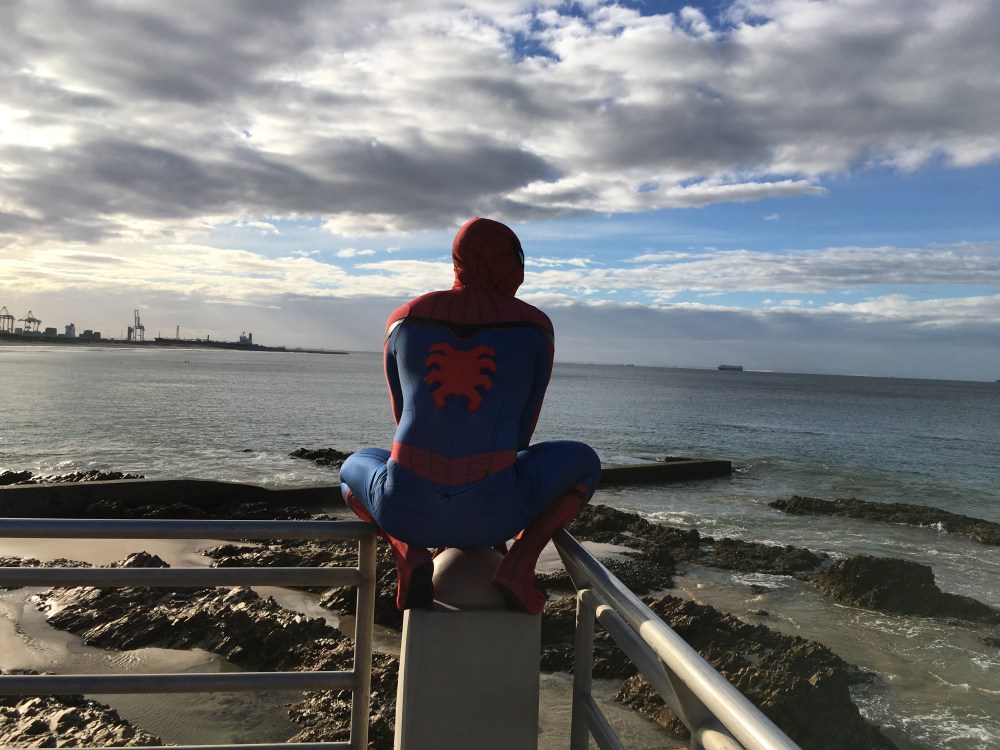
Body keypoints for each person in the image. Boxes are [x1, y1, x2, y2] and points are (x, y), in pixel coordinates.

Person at [340, 217, 600, 614]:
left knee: (353, 468)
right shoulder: (535, 327)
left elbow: (402, 415)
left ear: (458, 258)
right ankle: (519, 564)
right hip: (496, 516)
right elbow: (522, 434)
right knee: (586, 462)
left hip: (404, 509)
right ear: (509, 264)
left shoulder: (403, 319)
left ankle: (407, 551)